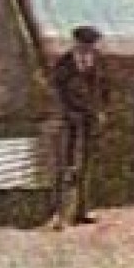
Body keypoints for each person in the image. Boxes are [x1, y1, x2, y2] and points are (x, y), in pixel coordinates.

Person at [50, 25, 107, 229]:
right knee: (66, 166)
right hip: (70, 120)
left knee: (87, 165)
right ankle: (60, 213)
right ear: (77, 43)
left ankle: (83, 210)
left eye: (91, 45)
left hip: (90, 120)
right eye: (85, 45)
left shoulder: (98, 62)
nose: (88, 49)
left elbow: (104, 88)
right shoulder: (64, 63)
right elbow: (57, 91)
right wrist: (66, 112)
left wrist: (101, 111)